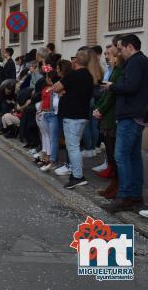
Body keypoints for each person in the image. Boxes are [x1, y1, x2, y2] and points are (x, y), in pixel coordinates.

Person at [102, 34, 148, 212]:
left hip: (130, 115)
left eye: (120, 49)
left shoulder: (136, 62)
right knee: (133, 156)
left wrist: (112, 86)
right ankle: (134, 196)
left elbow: (130, 86)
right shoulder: (142, 61)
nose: (119, 53)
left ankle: (125, 196)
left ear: (130, 47)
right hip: (136, 115)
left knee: (121, 156)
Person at [52, 49, 94, 189]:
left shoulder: (73, 75)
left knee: (73, 147)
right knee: (74, 146)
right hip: (81, 115)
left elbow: (56, 87)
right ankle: (76, 174)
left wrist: (63, 90)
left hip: (72, 117)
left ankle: (77, 176)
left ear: (76, 60)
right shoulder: (88, 75)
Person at [93, 41, 123, 199]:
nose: (107, 57)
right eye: (105, 55)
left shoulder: (118, 71)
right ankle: (114, 184)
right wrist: (98, 107)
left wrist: (100, 109)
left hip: (112, 117)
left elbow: (111, 94)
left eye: (110, 54)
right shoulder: (111, 71)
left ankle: (118, 186)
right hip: (106, 115)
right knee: (111, 151)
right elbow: (105, 92)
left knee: (116, 153)